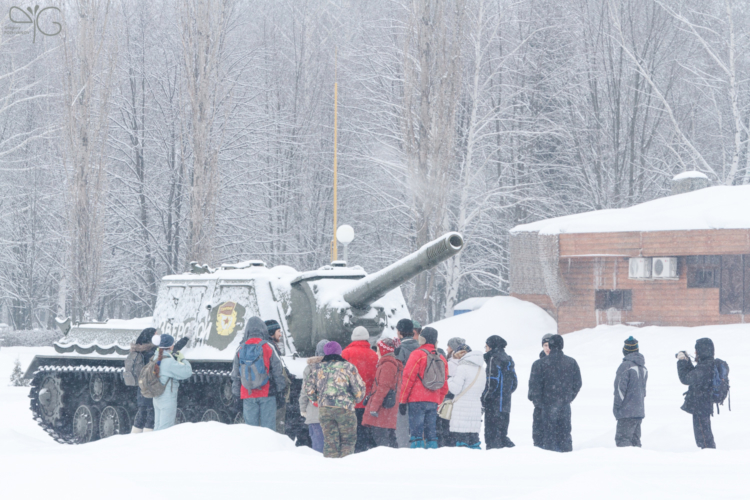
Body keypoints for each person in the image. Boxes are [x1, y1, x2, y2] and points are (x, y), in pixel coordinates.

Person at [306, 341, 366, 458]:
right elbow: (358, 391)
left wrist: (319, 399)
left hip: (325, 409)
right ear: (340, 352)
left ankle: (331, 469)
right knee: (347, 441)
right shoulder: (348, 367)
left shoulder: (316, 368)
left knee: (330, 442)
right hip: (345, 409)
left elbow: (309, 390)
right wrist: (355, 399)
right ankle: (346, 468)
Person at [528, 334, 582, 452]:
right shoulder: (571, 362)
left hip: (545, 407)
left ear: (551, 346)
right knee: (564, 435)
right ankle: (566, 460)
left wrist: (539, 403)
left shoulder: (539, 364)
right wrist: (567, 397)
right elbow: (577, 383)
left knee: (545, 438)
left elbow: (533, 387)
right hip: (563, 406)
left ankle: (548, 462)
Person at [231, 317, 286, 431]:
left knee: (251, 431)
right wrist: (281, 391)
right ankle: (268, 448)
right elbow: (277, 371)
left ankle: (253, 449)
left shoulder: (240, 348)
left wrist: (236, 394)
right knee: (268, 431)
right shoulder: (267, 346)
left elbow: (235, 375)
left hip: (248, 393)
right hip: (267, 393)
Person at [399, 327, 449, 449]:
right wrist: (438, 401)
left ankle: (417, 457)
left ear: (422, 338)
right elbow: (444, 384)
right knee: (431, 434)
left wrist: (402, 400)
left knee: (416, 434)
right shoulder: (441, 358)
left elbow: (408, 378)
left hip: (416, 400)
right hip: (433, 401)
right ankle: (431, 456)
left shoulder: (417, 354)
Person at [341, 326, 378, 452]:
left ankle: (352, 455)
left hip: (350, 402)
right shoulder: (374, 355)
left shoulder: (345, 354)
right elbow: (375, 380)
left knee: (350, 433)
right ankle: (364, 454)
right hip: (367, 401)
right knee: (365, 433)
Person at [677, 338, 717, 449]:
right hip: (703, 404)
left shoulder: (704, 367)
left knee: (703, 437)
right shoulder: (706, 364)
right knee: (704, 434)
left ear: (702, 350)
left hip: (701, 405)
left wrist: (681, 361)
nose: (695, 353)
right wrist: (687, 361)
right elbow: (692, 375)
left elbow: (686, 378)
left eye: (697, 350)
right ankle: (708, 453)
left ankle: (708, 455)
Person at [362, 338, 402, 448]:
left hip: (382, 411)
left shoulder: (387, 365)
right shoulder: (388, 364)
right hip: (385, 411)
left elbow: (383, 387)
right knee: (388, 441)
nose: (376, 353)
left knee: (382, 444)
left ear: (384, 351)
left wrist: (373, 407)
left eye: (378, 350)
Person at [481, 335, 517, 449]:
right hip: (505, 404)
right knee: (502, 434)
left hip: (493, 405)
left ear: (491, 346)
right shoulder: (509, 359)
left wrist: (484, 397)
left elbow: (492, 382)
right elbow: (514, 383)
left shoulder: (493, 358)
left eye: (486, 346)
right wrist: (505, 394)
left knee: (492, 437)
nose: (485, 349)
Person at [447, 343, 486, 449]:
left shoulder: (462, 368)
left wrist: (449, 380)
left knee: (461, 441)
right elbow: (482, 389)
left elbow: (455, 389)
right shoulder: (481, 369)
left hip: (462, 409)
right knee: (473, 440)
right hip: (476, 407)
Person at [150, 333, 193, 431]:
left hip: (157, 397)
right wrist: (182, 359)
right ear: (169, 346)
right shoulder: (168, 362)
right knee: (165, 430)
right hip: (167, 399)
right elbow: (187, 372)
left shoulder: (155, 358)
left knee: (157, 428)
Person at [613, 336, 648, 447]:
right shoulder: (643, 367)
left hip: (626, 413)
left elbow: (620, 390)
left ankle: (626, 463)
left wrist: (617, 407)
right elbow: (643, 391)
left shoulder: (625, 366)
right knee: (635, 442)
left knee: (623, 441)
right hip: (638, 411)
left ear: (625, 350)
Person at [299, 339, 329, 453]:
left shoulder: (309, 369)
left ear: (317, 353)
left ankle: (318, 468)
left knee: (318, 447)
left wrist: (303, 408)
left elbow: (305, 392)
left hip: (315, 414)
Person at [437, 336, 466, 447]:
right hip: (460, 402)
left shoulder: (449, 364)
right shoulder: (466, 364)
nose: (447, 349)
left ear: (453, 349)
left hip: (447, 401)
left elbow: (444, 384)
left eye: (449, 346)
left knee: (445, 428)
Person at [264, 319, 291, 434]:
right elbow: (276, 372)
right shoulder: (270, 347)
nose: (280, 334)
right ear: (271, 333)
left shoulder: (268, 346)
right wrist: (281, 391)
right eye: (278, 331)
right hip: (273, 394)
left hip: (268, 393)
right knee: (276, 428)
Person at [394, 318, 417, 447]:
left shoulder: (399, 350)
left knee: (402, 427)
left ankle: (403, 451)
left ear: (399, 332)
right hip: (419, 393)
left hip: (403, 393)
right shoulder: (420, 348)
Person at [130, 328, 157, 433]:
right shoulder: (152, 352)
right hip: (150, 386)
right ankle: (146, 438)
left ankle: (135, 435)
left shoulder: (139, 351)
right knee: (151, 413)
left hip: (142, 387)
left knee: (142, 412)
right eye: (155, 335)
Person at [530, 333, 553, 447]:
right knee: (539, 435)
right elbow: (532, 385)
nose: (547, 348)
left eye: (549, 345)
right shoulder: (537, 364)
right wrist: (536, 400)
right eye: (545, 345)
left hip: (556, 405)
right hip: (540, 406)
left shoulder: (562, 362)